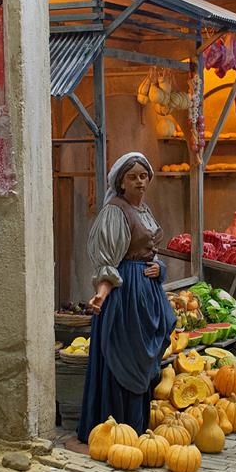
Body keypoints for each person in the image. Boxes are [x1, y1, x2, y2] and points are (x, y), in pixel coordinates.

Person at [77, 153, 176, 443]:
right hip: (125, 295)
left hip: (145, 292)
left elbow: (150, 251)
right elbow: (107, 261)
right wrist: (101, 294)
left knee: (142, 356)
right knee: (124, 355)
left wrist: (161, 269)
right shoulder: (115, 212)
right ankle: (112, 429)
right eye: (133, 176)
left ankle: (135, 426)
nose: (139, 181)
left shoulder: (143, 210)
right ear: (121, 181)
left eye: (143, 176)